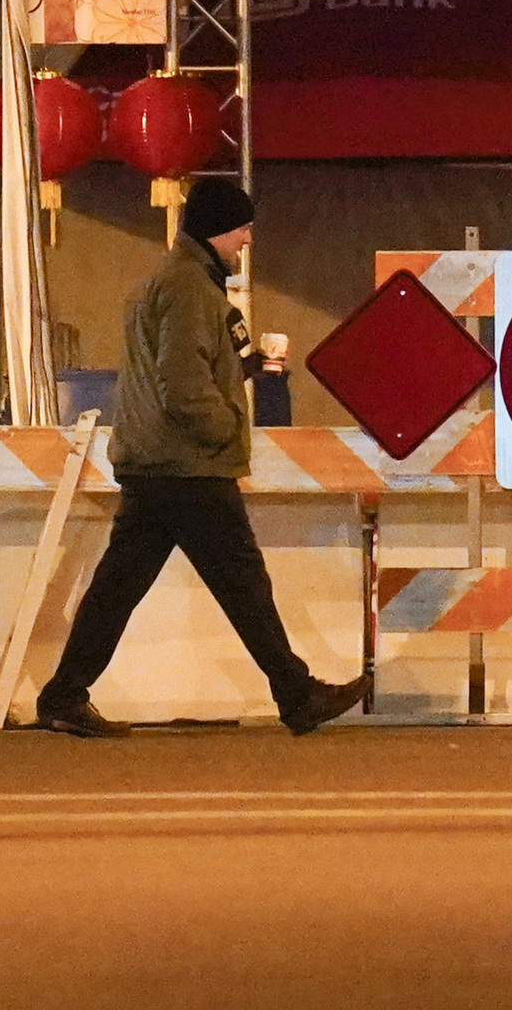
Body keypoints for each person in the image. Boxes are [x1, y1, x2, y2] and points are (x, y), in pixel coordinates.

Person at [36, 178, 372, 738]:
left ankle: (63, 695)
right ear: (218, 229)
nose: (245, 239)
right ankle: (296, 694)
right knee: (243, 583)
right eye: (241, 228)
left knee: (121, 587)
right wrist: (222, 431)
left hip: (157, 463)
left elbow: (189, 365)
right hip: (188, 464)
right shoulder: (190, 287)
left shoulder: (175, 281)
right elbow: (184, 383)